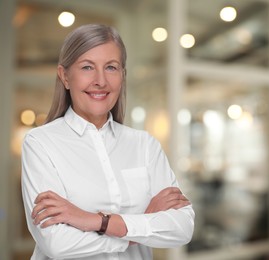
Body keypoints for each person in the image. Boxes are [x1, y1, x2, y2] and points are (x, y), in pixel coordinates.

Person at [21, 24, 195, 260]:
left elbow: (182, 227)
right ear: (65, 76)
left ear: (122, 76)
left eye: (111, 67)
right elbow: (57, 244)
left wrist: (95, 221)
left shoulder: (145, 145)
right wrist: (138, 228)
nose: (100, 81)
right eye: (87, 67)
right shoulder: (41, 143)